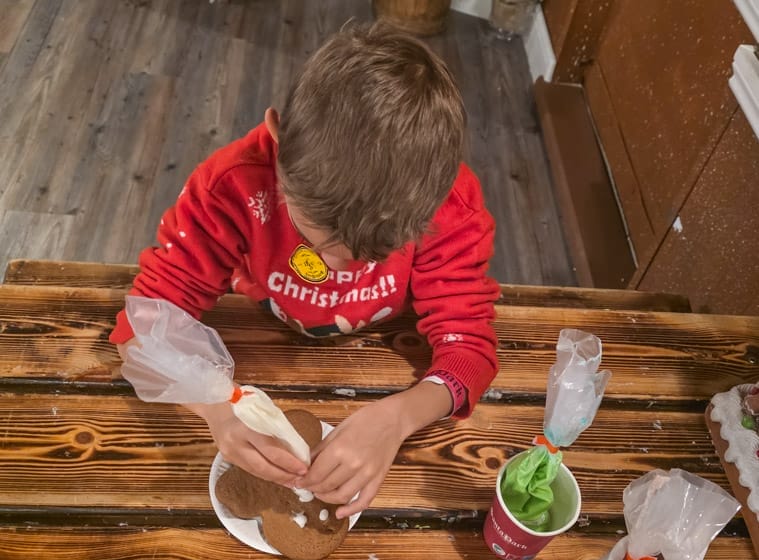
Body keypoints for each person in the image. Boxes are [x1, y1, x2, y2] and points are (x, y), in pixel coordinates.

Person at [111, 21, 500, 521]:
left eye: (374, 253)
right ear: (278, 142)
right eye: (317, 236)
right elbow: (141, 327)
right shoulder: (233, 186)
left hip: (380, 350)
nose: (339, 266)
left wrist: (398, 417)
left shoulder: (452, 206)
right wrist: (214, 410)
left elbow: (468, 348)